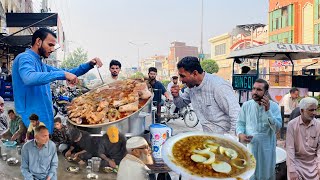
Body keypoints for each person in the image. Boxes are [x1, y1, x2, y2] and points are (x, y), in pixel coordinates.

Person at [12, 28, 103, 134]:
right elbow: (29, 77)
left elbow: (68, 72)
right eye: (50, 45)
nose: (52, 49)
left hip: (43, 120)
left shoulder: (41, 64)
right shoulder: (25, 58)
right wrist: (63, 74)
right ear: (38, 42)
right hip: (31, 122)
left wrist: (89, 65)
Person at [171, 56, 240, 133]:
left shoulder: (218, 86)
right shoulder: (191, 88)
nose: (180, 80)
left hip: (224, 139)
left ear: (194, 73)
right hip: (208, 137)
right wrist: (176, 96)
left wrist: (231, 139)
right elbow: (180, 104)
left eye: (183, 76)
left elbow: (236, 116)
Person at [236, 78, 282, 180]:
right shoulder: (246, 105)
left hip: (267, 149)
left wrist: (267, 110)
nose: (255, 92)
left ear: (265, 92)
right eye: (254, 89)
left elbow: (277, 128)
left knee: (265, 175)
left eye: (259, 90)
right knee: (250, 174)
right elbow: (240, 123)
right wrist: (240, 134)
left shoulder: (274, 107)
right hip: (250, 148)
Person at [286, 97, 320, 180]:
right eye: (311, 110)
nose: (314, 113)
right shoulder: (292, 125)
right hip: (297, 162)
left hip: (314, 162)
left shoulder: (318, 125)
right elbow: (290, 149)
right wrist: (292, 170)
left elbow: (319, 149)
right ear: (302, 111)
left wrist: (319, 166)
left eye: (315, 109)